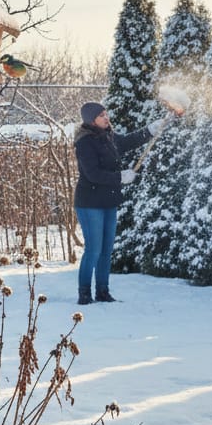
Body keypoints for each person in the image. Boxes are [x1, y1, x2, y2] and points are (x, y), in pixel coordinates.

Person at [73, 102, 166, 305]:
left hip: (108, 201)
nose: (106, 118)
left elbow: (129, 141)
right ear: (91, 120)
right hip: (89, 203)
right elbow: (92, 174)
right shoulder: (85, 143)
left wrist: (150, 130)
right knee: (94, 250)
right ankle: (84, 293)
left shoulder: (109, 137)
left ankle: (103, 291)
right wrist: (120, 177)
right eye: (101, 116)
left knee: (106, 250)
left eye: (106, 114)